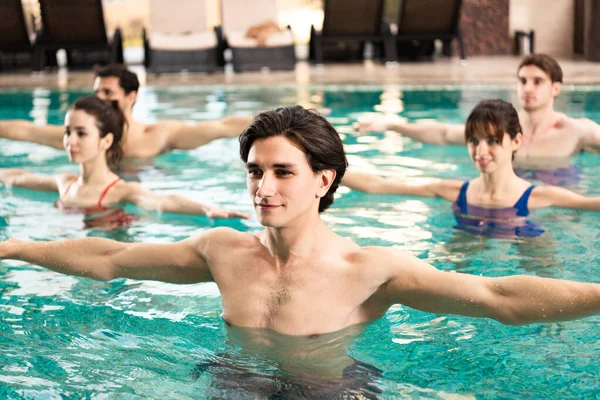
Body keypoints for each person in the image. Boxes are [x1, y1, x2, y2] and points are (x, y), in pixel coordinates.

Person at [1, 106, 600, 395]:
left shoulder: (367, 270)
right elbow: (109, 260)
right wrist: (19, 246)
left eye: (283, 172)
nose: (263, 188)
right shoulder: (222, 252)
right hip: (236, 379)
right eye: (255, 171)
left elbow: (498, 296)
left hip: (331, 389)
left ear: (324, 180)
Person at [344, 99, 600, 237]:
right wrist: (326, 170)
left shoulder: (540, 197)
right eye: (474, 141)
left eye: (492, 141)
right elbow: (378, 185)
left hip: (526, 238)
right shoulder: (454, 192)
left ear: (516, 142)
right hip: (466, 238)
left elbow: (591, 204)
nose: (480, 151)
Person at [0, 96, 249, 228]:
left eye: (81, 133)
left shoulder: (121, 191)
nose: (69, 141)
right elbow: (17, 177)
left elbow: (162, 202)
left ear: (106, 141)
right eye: (67, 132)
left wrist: (207, 209)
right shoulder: (64, 183)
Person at [356, 54, 600, 185]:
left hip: (557, 209)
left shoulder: (576, 131)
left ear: (555, 88)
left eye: (537, 82)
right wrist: (392, 125)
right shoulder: (498, 130)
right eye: (523, 81)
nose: (528, 88)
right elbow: (442, 133)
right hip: (504, 197)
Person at [0, 64, 253, 172]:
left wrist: (280, 118)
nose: (100, 98)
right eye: (97, 92)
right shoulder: (81, 135)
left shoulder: (158, 135)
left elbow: (220, 126)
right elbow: (26, 131)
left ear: (131, 97)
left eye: (108, 92)